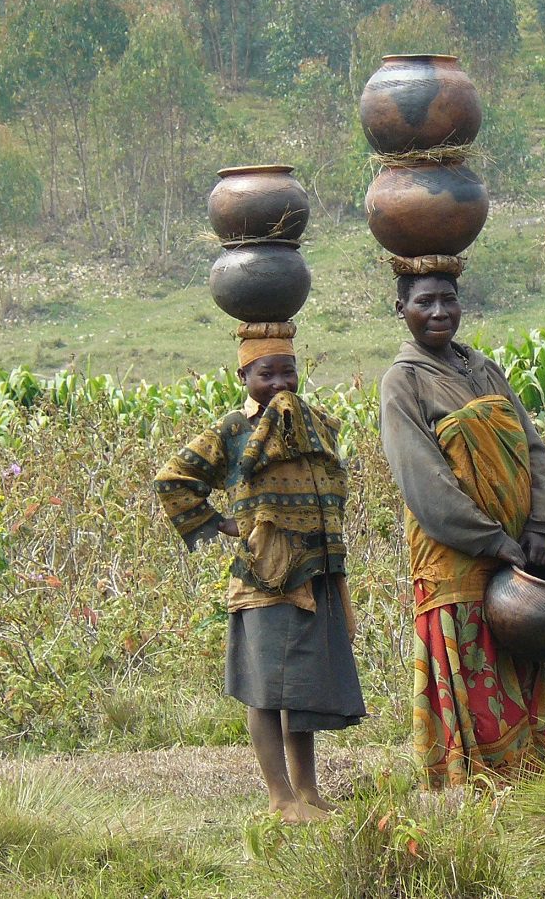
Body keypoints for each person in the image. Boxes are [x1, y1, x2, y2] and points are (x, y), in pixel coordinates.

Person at [155, 322, 363, 822]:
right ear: (244, 373)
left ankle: (308, 794)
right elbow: (173, 479)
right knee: (267, 689)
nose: (278, 383)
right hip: (265, 576)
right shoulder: (232, 429)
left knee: (303, 688)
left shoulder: (316, 424)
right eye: (265, 373)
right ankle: (279, 797)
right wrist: (223, 524)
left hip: (319, 573)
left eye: (287, 371)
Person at [378, 268, 545, 788]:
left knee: (518, 659)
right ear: (401, 309)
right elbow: (423, 480)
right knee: (471, 665)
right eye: (424, 303)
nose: (439, 313)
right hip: (456, 557)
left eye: (449, 300)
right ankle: (476, 786)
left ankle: (527, 785)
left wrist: (540, 529)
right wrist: (491, 540)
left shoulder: (486, 371)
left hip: (520, 556)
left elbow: (535, 451)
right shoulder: (403, 381)